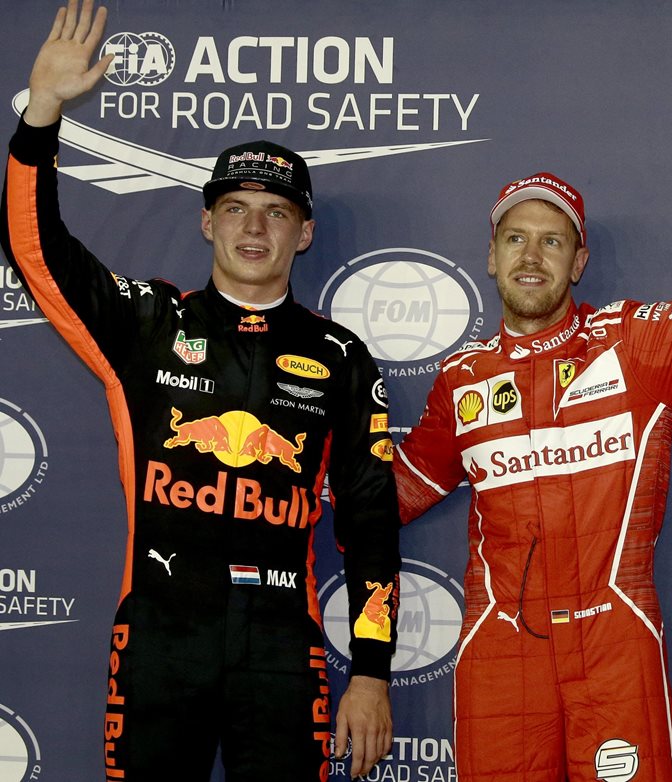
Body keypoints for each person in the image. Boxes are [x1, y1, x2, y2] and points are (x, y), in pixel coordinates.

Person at [0, 2, 400, 779]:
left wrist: (374, 672)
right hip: (159, 642)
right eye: (237, 209)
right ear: (207, 221)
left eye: (277, 213)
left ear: (304, 232)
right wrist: (41, 116)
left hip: (283, 651)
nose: (256, 229)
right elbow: (35, 250)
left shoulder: (342, 357)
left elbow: (373, 529)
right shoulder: (148, 322)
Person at [391, 43, 672, 781]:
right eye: (515, 238)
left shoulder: (634, 344)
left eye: (553, 241)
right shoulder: (462, 379)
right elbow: (398, 491)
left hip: (615, 637)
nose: (531, 256)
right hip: (500, 649)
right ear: (490, 257)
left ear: (578, 263)